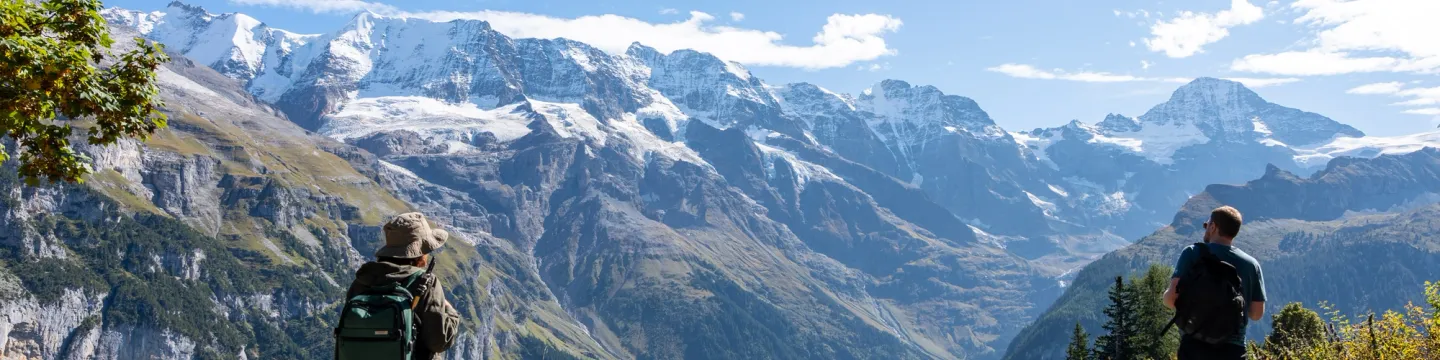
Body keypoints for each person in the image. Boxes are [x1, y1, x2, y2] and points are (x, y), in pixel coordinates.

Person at [345, 212, 462, 359]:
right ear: (420, 255)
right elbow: (439, 341)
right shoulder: (425, 282)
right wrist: (450, 312)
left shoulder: (362, 280)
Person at [1163, 206, 1266, 360]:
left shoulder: (1193, 253)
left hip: (1194, 346)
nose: (1205, 229)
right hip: (1233, 350)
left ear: (1213, 227)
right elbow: (1256, 314)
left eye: (1206, 225)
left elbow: (1170, 299)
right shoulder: (1251, 265)